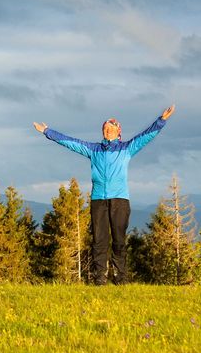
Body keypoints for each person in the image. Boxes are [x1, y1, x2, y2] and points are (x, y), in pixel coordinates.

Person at [33, 105, 175, 284]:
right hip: (98, 200)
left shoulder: (127, 148)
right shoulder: (94, 150)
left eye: (112, 129)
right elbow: (70, 142)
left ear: (118, 131)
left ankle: (120, 278)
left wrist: (161, 120)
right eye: (106, 129)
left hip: (120, 200)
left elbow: (146, 136)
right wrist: (47, 131)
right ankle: (99, 279)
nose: (108, 131)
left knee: (119, 240)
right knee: (99, 240)